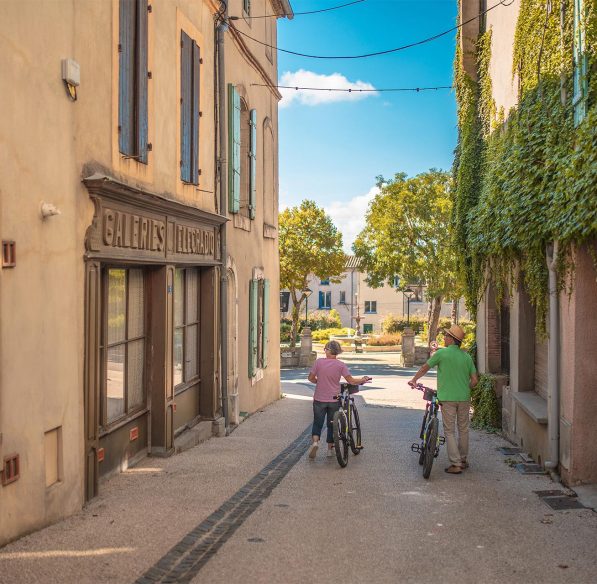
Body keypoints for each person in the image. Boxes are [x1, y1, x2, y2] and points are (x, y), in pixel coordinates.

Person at [409, 324, 478, 474]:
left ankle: (456, 463)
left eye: (447, 336)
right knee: (464, 429)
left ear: (452, 340)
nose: (444, 338)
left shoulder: (441, 354)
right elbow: (474, 380)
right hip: (464, 398)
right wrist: (465, 388)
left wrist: (414, 380)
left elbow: (424, 368)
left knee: (449, 431)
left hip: (447, 399)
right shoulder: (466, 357)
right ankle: (463, 459)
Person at [307, 340, 372, 459]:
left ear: (328, 350)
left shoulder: (318, 362)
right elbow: (351, 381)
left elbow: (310, 378)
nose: (324, 351)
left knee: (317, 422)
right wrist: (363, 379)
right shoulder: (340, 365)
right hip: (334, 399)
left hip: (319, 399)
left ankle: (315, 443)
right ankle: (329, 450)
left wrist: (319, 381)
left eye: (325, 349)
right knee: (332, 424)